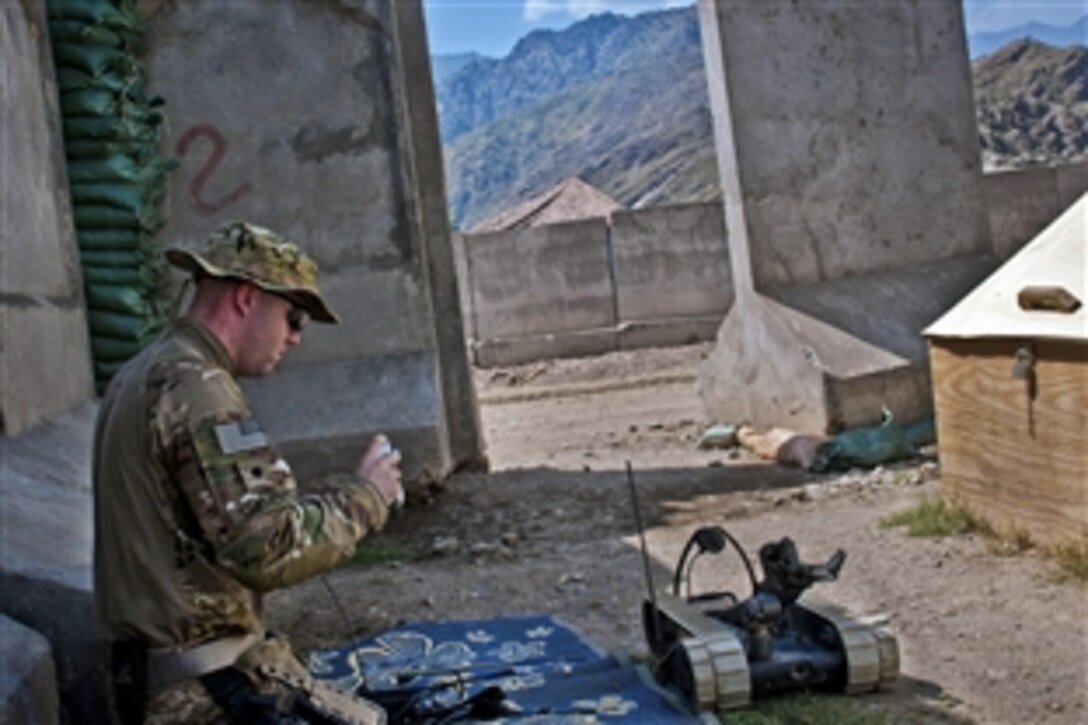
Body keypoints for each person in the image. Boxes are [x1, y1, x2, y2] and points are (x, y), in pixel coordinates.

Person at [93, 221, 402, 724]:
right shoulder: (198, 389)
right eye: (294, 317)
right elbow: (266, 548)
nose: (296, 338)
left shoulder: (144, 372)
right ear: (245, 297)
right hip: (202, 695)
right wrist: (368, 496)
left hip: (168, 678)